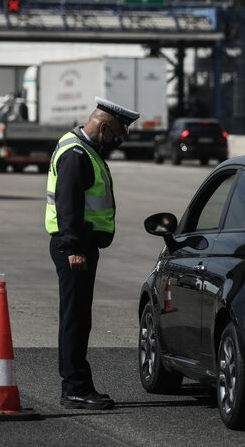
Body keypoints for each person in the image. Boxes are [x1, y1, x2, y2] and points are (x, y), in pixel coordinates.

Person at [45, 96, 139, 410]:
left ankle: (77, 385)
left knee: (79, 317)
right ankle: (75, 388)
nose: (118, 141)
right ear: (102, 126)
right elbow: (67, 204)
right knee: (74, 318)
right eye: (117, 134)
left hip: (81, 245)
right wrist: (74, 248)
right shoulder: (76, 154)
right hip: (74, 248)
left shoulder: (82, 149)